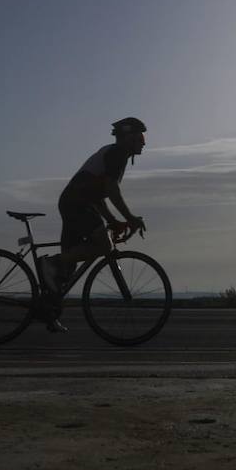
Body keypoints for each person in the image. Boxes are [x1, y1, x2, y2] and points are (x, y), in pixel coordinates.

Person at [41, 117, 148, 333]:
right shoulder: (117, 154)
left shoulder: (115, 154)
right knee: (103, 246)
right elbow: (111, 191)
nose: (144, 142)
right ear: (128, 137)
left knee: (67, 268)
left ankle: (48, 312)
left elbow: (100, 196)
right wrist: (130, 217)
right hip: (77, 204)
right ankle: (51, 262)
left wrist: (114, 221)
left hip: (77, 202)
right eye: (141, 137)